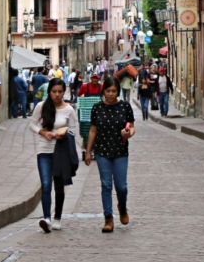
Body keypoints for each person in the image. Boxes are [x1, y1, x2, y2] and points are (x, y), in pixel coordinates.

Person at [84, 76, 136, 233]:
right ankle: (108, 218)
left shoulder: (125, 107)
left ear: (118, 91)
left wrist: (128, 134)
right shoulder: (97, 108)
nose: (111, 94)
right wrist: (88, 151)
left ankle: (122, 206)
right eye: (108, 91)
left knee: (121, 186)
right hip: (102, 152)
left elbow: (131, 127)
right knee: (106, 185)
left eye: (114, 91)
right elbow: (93, 130)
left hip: (120, 151)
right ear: (103, 91)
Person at [29, 77, 79, 233]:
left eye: (60, 92)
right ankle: (47, 219)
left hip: (61, 151)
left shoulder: (68, 109)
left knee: (59, 186)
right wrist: (43, 132)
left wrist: (64, 134)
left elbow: (73, 130)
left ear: (64, 92)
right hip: (44, 149)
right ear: (49, 92)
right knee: (45, 184)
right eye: (54, 92)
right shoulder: (41, 106)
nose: (57, 95)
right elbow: (32, 124)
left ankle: (57, 217)